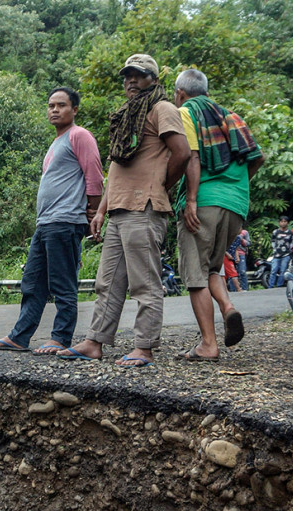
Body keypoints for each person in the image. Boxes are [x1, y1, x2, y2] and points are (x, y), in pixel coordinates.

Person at [58, 54, 189, 367]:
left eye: (139, 75)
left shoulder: (162, 108)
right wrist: (101, 209)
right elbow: (115, 168)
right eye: (127, 75)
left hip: (143, 206)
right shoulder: (128, 115)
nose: (131, 80)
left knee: (145, 282)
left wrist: (159, 186)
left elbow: (182, 154)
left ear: (153, 79)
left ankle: (143, 347)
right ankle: (94, 341)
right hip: (118, 208)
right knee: (108, 282)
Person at [0, 86, 103, 353]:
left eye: (61, 105)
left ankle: (60, 338)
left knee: (62, 283)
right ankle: (19, 336)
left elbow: (95, 176)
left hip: (65, 221)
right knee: (33, 282)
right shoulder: (56, 142)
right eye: (51, 105)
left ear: (74, 109)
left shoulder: (80, 136)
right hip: (46, 223)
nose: (54, 110)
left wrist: (92, 215)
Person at [173, 68, 263, 361]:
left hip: (204, 203)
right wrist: (235, 187)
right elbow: (257, 157)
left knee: (195, 276)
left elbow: (191, 156)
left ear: (180, 94)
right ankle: (228, 308)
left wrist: (192, 201)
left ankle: (208, 345)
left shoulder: (187, 111)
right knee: (212, 268)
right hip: (236, 205)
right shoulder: (231, 116)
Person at [268, 216, 293, 288]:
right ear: (279, 223)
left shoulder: (290, 233)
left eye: (285, 221)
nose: (283, 223)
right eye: (282, 221)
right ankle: (271, 286)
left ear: (287, 223)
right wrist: (275, 249)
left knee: (283, 271)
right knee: (273, 270)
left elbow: (292, 242)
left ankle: (279, 285)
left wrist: (289, 250)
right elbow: (272, 241)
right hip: (276, 255)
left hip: (286, 254)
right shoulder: (275, 232)